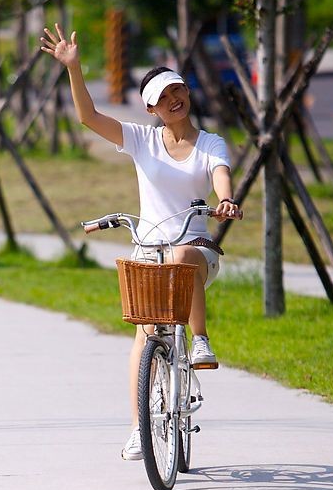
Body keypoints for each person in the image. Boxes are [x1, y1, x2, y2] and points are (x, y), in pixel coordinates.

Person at [40, 24, 242, 462]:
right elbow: (89, 118)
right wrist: (73, 68)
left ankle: (201, 339)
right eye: (165, 96)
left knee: (184, 252)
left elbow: (221, 175)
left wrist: (225, 200)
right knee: (144, 335)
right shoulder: (142, 140)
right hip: (150, 250)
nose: (175, 99)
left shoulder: (210, 143)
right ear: (151, 107)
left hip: (196, 252)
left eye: (179, 90)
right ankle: (138, 429)